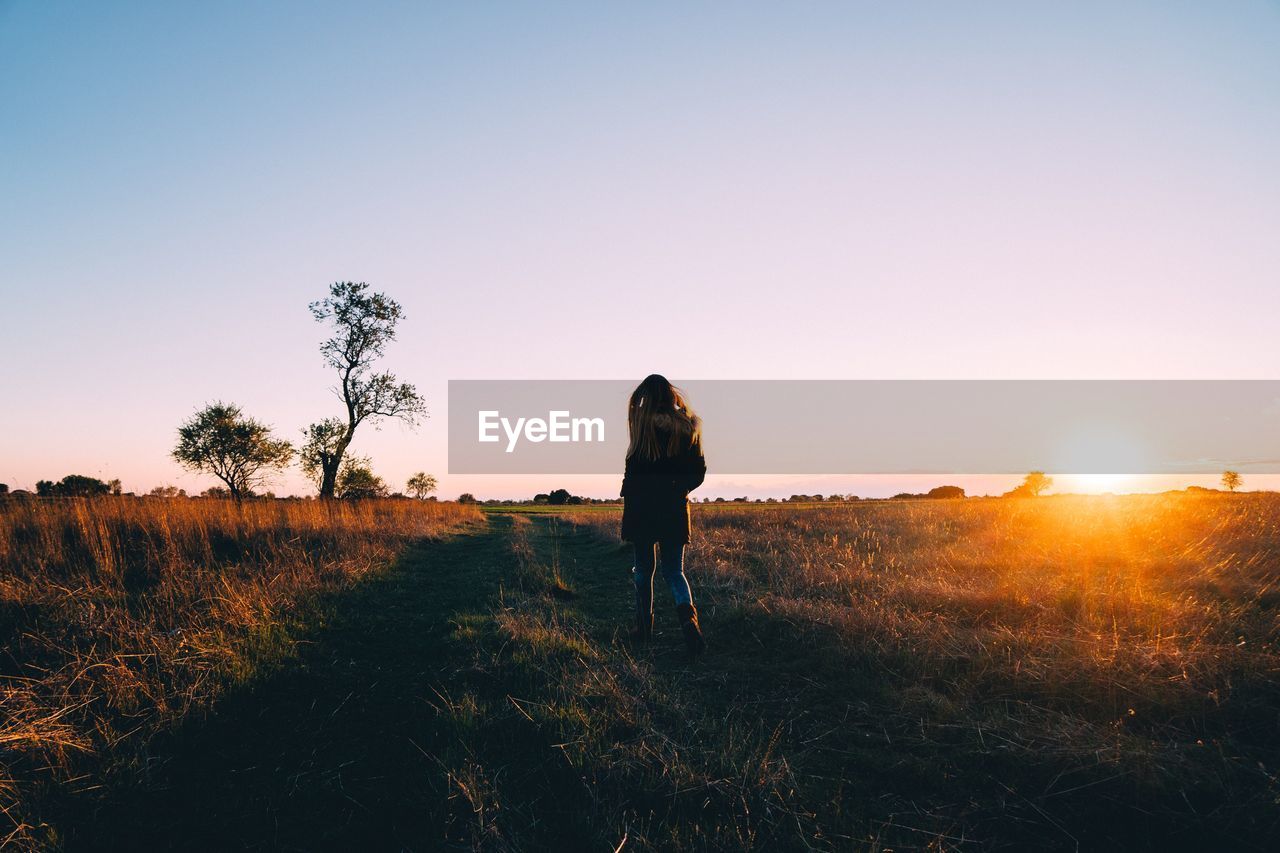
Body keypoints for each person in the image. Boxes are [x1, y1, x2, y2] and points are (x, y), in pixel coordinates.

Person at [621, 374, 707, 655]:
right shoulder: (689, 428)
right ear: (671, 396)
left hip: (642, 508)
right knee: (674, 571)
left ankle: (643, 628)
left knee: (643, 570)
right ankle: (689, 623)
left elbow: (633, 472)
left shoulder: (642, 428)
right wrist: (677, 489)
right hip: (673, 507)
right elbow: (698, 473)